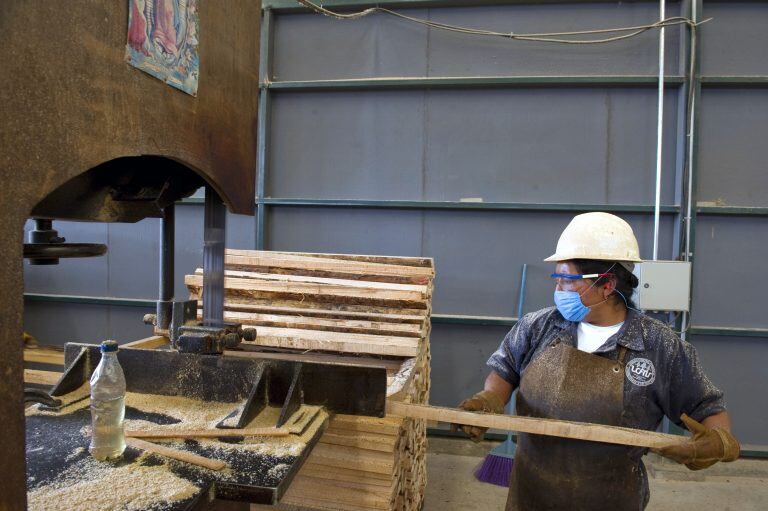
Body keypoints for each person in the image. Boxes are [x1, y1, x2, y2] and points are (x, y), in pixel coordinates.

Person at [452, 212, 740, 511]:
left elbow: (708, 409)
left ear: (607, 283)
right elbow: (505, 371)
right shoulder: (537, 327)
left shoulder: (659, 346)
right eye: (557, 280)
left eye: (568, 281)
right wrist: (488, 399)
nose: (558, 291)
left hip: (612, 497)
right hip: (532, 493)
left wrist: (718, 439)